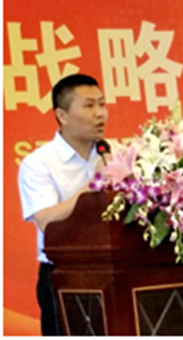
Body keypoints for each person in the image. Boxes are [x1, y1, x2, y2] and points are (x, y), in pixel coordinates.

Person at [18, 74, 108, 335]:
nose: (100, 113)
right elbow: (47, 221)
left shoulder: (112, 154)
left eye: (102, 104)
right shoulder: (38, 164)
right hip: (64, 274)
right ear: (62, 115)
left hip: (113, 269)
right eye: (89, 106)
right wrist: (93, 186)